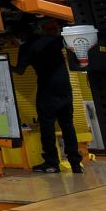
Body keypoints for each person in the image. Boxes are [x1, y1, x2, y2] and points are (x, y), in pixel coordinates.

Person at [13, 18, 83, 174]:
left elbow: (20, 70)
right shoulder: (54, 40)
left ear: (20, 34)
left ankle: (51, 162)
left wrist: (3, 64)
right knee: (68, 125)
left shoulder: (27, 47)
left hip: (48, 90)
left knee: (47, 126)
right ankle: (76, 164)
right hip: (65, 88)